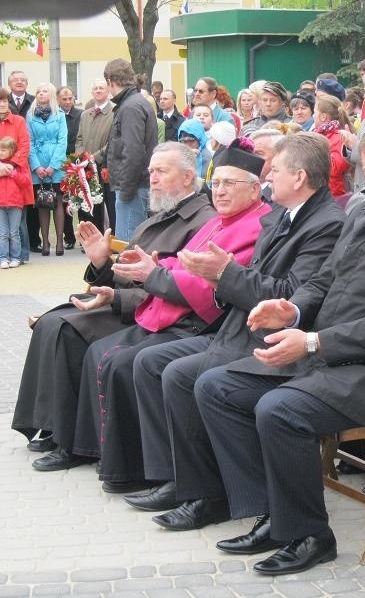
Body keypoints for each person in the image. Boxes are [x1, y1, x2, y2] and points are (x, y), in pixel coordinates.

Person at [193, 125, 365, 575]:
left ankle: (311, 536)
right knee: (216, 387)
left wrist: (311, 341)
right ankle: (275, 513)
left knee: (279, 409)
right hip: (330, 356)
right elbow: (325, 280)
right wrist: (291, 310)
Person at [126, 133, 345, 529]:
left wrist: (224, 274)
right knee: (167, 368)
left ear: (298, 177)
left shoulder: (325, 223)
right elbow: (254, 280)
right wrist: (220, 278)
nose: (267, 180)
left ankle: (231, 497)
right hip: (241, 329)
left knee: (186, 375)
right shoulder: (282, 214)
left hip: (276, 339)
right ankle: (201, 489)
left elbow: (289, 296)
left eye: (272, 172)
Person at [11, 142, 217, 466]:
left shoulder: (202, 222)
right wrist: (101, 261)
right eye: (151, 171)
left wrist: (116, 296)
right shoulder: (163, 213)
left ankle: (75, 443)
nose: (153, 178)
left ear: (189, 176)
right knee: (52, 322)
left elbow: (176, 288)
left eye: (161, 171)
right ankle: (53, 424)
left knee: (67, 331)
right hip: (130, 300)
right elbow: (126, 272)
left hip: (155, 313)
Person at [104, 58, 158, 242]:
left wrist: (126, 191)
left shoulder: (130, 106)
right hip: (135, 185)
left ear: (110, 81)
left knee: (127, 247)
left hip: (133, 188)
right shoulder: (133, 102)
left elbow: (133, 151)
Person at [27, 81, 67, 256]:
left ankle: (59, 240)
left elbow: (62, 141)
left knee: (57, 200)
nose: (40, 94)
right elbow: (29, 143)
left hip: (56, 165)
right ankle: (45, 241)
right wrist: (36, 166)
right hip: (38, 165)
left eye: (44, 91)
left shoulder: (59, 115)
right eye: (38, 91)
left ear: (50, 94)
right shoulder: (30, 116)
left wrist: (53, 165)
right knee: (42, 201)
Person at [75, 79, 114, 232]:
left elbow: (112, 142)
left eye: (101, 88)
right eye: (95, 88)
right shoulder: (85, 115)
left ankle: (111, 238)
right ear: (92, 92)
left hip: (105, 167)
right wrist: (82, 157)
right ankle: (92, 238)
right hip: (86, 169)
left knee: (110, 207)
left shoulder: (114, 113)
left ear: (108, 91)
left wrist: (94, 158)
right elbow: (79, 139)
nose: (98, 90)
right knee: (90, 206)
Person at [0, 87, 34, 263]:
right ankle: (3, 256)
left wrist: (9, 165)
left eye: (5, 100)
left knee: (19, 220)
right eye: (0, 101)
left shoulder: (19, 121)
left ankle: (21, 254)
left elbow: (24, 146)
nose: (2, 104)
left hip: (17, 173)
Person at [7, 70, 37, 255]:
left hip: (20, 168)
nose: (19, 82)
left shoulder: (34, 101)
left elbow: (25, 143)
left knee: (24, 212)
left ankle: (28, 247)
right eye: (15, 80)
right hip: (4, 169)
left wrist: (12, 164)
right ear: (9, 84)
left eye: (22, 80)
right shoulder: (5, 101)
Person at [312, 95, 351, 207]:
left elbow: (335, 168)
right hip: (322, 193)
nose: (313, 116)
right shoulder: (320, 134)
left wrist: (312, 157)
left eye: (315, 112)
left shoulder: (338, 136)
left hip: (334, 196)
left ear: (323, 116)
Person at [57, 86, 82, 250]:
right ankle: (69, 237)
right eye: (64, 99)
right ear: (58, 99)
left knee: (81, 202)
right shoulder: (56, 116)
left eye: (70, 98)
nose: (67, 102)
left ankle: (84, 238)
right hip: (60, 163)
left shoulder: (81, 115)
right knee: (65, 202)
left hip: (77, 162)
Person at [0, 136, 30, 268]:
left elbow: (25, 182)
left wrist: (13, 174)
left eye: (4, 150)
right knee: (3, 233)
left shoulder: (19, 166)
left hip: (15, 204)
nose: (1, 152)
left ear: (12, 151)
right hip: (1, 204)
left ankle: (16, 257)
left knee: (14, 232)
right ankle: (3, 258)